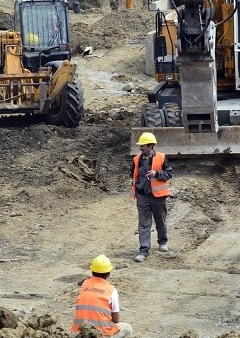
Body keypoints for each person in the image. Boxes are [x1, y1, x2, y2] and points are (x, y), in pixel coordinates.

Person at [131, 132, 174, 262]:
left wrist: (157, 173)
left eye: (143, 145)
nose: (141, 148)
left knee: (160, 219)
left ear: (150, 146)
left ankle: (162, 242)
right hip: (142, 195)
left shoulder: (161, 157)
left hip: (158, 196)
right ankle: (143, 250)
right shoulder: (136, 159)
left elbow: (170, 173)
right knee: (144, 223)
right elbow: (133, 175)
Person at [72, 255, 133, 337]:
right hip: (101, 334)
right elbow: (116, 320)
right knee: (127, 328)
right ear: (109, 274)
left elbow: (82, 282)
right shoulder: (111, 290)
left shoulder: (85, 284)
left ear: (92, 271)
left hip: (80, 332)